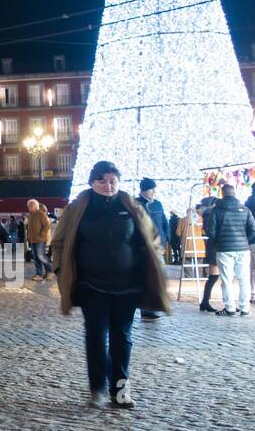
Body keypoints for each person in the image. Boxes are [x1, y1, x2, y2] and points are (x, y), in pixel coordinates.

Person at [50, 161, 169, 410]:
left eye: (113, 181)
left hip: (127, 286)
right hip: (91, 285)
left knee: (122, 338)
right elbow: (59, 242)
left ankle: (120, 390)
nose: (108, 186)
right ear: (92, 182)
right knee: (95, 336)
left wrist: (151, 262)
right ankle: (98, 388)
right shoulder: (77, 209)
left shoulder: (131, 206)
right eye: (102, 181)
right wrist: (61, 270)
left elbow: (151, 237)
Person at [207, 184, 255, 317]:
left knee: (227, 279)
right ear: (234, 193)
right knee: (243, 279)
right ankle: (245, 308)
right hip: (243, 249)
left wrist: (218, 242)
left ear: (222, 194)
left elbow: (210, 231)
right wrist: (244, 240)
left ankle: (230, 308)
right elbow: (254, 230)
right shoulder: (245, 209)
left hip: (224, 249)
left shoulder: (216, 210)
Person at [137, 179, 168, 321]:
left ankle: (153, 306)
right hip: (142, 246)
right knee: (146, 277)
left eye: (154, 189)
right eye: (151, 189)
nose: (154, 192)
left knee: (157, 276)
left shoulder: (158, 204)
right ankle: (146, 309)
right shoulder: (135, 203)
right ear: (143, 190)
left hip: (158, 246)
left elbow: (164, 223)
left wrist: (166, 239)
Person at [26, 200, 54, 280]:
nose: (29, 207)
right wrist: (28, 236)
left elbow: (47, 225)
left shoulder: (41, 214)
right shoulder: (30, 215)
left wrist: (42, 234)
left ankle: (49, 271)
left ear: (35, 206)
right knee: (35, 258)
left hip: (40, 240)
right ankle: (39, 274)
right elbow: (29, 227)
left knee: (41, 256)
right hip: (33, 239)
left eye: (31, 205)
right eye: (28, 205)